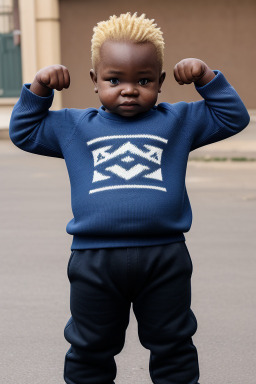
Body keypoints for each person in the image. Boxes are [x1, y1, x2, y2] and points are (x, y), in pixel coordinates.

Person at [9, 12, 250, 384]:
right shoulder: (74, 127)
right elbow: (23, 132)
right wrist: (40, 88)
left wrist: (206, 78)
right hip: (94, 260)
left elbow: (233, 118)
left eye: (143, 80)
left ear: (161, 82)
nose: (129, 89)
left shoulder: (178, 121)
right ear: (94, 81)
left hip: (165, 256)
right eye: (114, 80)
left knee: (173, 345)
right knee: (89, 347)